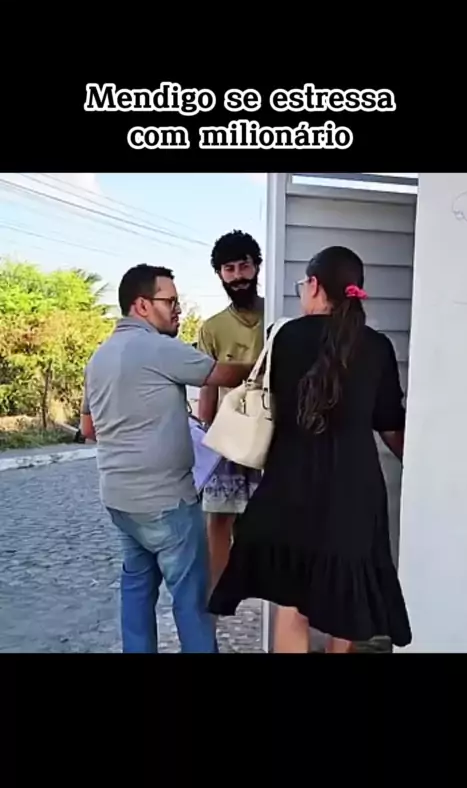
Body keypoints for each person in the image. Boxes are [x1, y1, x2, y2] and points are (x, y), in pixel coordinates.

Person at [208, 246, 412, 653]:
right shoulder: (377, 347)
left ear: (315, 286)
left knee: (292, 600)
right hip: (354, 492)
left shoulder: (284, 337)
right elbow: (390, 423)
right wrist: (423, 466)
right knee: (345, 600)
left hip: (291, 486)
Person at [80, 263, 252, 654]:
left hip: (119, 499)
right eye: (170, 301)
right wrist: (262, 364)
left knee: (137, 589)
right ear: (141, 305)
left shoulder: (98, 358)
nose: (177, 309)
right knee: (192, 600)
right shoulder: (159, 347)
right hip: (166, 501)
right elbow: (224, 375)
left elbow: (89, 429)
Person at [197, 230, 265, 589]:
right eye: (229, 269)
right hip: (228, 435)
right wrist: (205, 439)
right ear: (219, 274)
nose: (238, 276)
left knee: (267, 518)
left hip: (272, 432)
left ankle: (265, 591)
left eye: (244, 266)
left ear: (257, 267)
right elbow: (208, 387)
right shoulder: (211, 328)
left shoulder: (277, 316)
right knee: (219, 518)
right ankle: (219, 594)